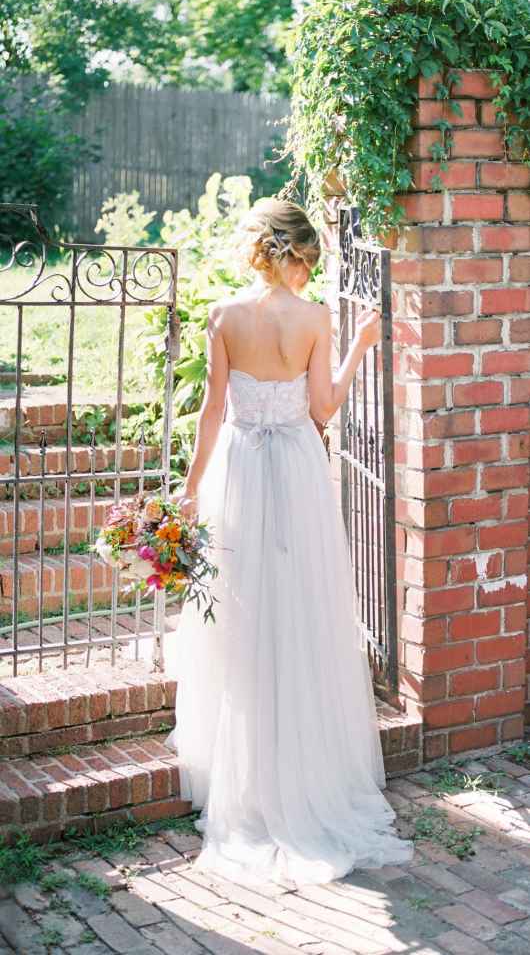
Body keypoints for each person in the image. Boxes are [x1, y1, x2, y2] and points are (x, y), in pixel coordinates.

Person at [164, 197, 415, 888]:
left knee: (242, 608)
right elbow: (323, 408)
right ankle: (301, 760)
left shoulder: (224, 316)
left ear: (260, 249)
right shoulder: (317, 318)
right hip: (299, 466)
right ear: (301, 254)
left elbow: (212, 411)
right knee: (301, 603)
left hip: (240, 467)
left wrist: (190, 488)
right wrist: (363, 345)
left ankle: (244, 767)